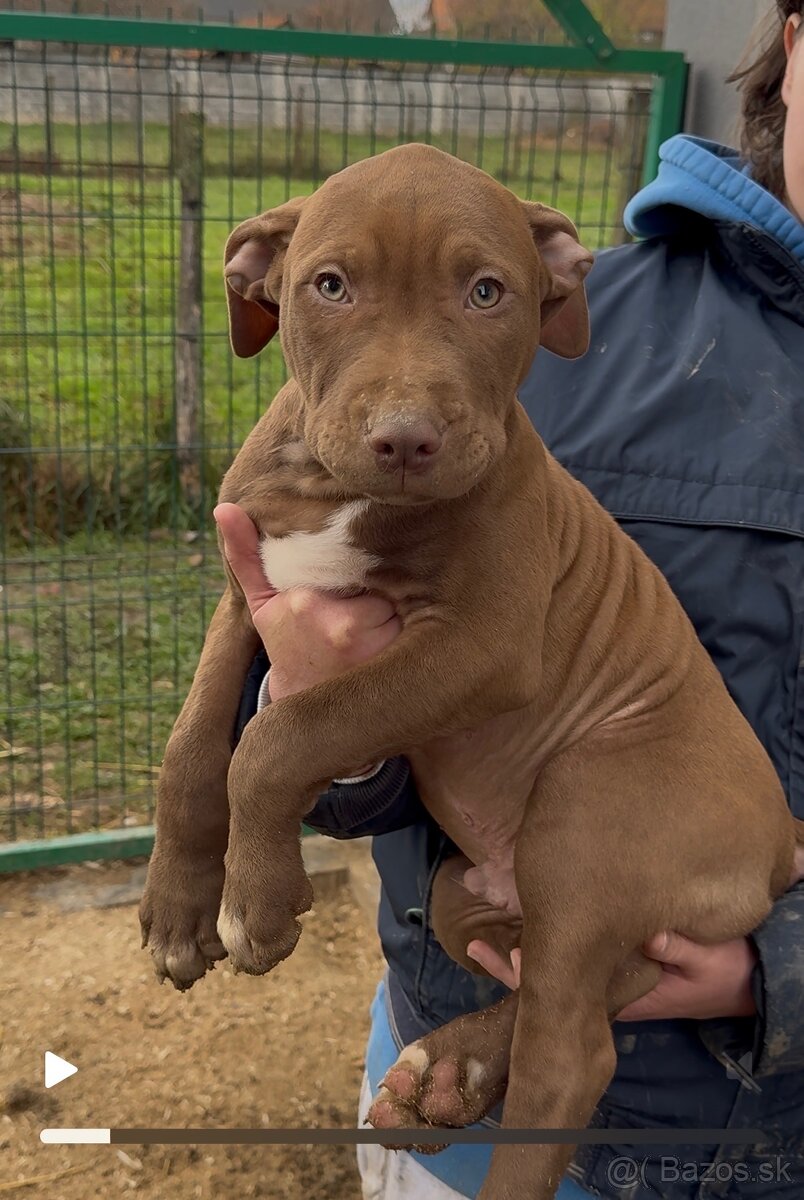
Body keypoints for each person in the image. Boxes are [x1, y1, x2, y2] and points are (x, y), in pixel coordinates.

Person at [215, 3, 804, 1196]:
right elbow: (382, 711)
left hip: (758, 1128)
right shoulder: (556, 342)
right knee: (462, 898)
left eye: (484, 294)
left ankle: (552, 1036)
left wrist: (782, 963)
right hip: (461, 1023)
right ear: (790, 42)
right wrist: (312, 728)